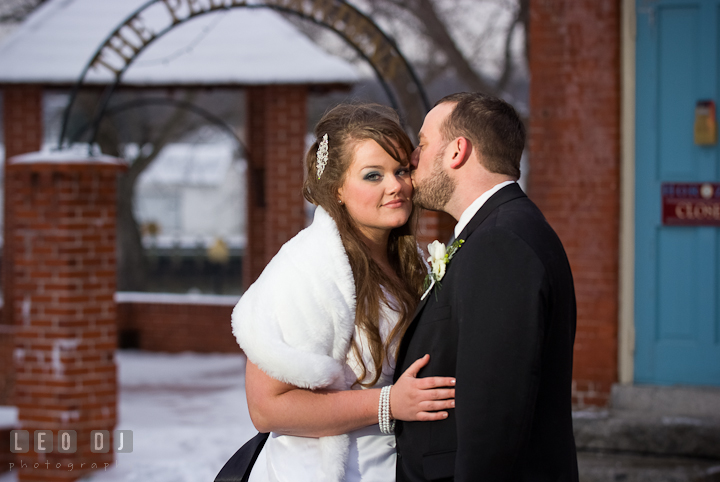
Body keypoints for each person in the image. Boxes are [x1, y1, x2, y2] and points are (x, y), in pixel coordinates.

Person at [231, 103, 455, 482]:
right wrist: (387, 403)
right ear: (336, 190)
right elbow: (266, 408)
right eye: (373, 175)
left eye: (401, 170)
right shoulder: (306, 270)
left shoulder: (411, 259)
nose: (396, 186)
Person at [394, 92, 579, 481]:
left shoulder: (501, 242)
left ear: (457, 151)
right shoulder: (499, 231)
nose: (413, 158)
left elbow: (495, 415)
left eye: (423, 144)